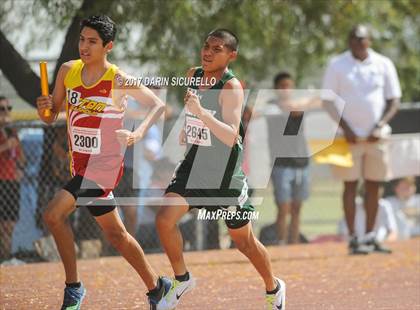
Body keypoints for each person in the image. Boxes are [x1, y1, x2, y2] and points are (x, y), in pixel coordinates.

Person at [35, 15, 171, 310]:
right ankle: (157, 287)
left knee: (53, 215)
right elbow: (50, 116)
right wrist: (43, 108)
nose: (84, 46)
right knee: (117, 235)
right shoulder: (68, 71)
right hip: (81, 166)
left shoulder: (118, 80)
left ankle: (73, 287)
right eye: (82, 39)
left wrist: (137, 132)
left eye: (92, 42)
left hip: (105, 166)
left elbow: (158, 105)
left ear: (108, 46)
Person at [155, 29, 285, 310]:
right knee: (164, 219)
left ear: (231, 55)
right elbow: (194, 110)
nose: (208, 52)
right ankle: (182, 279)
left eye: (217, 49)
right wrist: (188, 128)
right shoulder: (193, 75)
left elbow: (231, 137)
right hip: (194, 167)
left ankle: (273, 287)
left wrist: (201, 114)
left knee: (244, 242)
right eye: (206, 46)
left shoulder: (231, 87)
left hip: (224, 176)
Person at [322, 24, 401, 255]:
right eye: (353, 39)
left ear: (370, 41)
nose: (357, 42)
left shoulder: (383, 63)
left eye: (361, 39)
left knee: (374, 185)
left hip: (376, 137)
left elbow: (394, 100)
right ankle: (354, 238)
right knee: (349, 185)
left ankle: (370, 236)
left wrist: (380, 125)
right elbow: (327, 100)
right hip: (348, 138)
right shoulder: (337, 64)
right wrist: (346, 128)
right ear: (349, 41)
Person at [266, 72, 313, 245]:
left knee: (297, 207)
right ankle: (281, 241)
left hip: (302, 162)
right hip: (281, 164)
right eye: (282, 86)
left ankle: (294, 242)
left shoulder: (298, 104)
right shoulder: (271, 106)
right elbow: (287, 109)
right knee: (283, 207)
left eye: (289, 86)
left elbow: (316, 102)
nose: (286, 90)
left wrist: (300, 104)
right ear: (275, 88)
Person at [0, 96, 25, 261]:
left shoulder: (13, 131)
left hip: (11, 181)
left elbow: (22, 158)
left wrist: (21, 169)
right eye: (2, 109)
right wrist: (4, 147)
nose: (6, 113)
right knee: (2, 226)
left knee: (9, 225)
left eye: (9, 108)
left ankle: (6, 258)